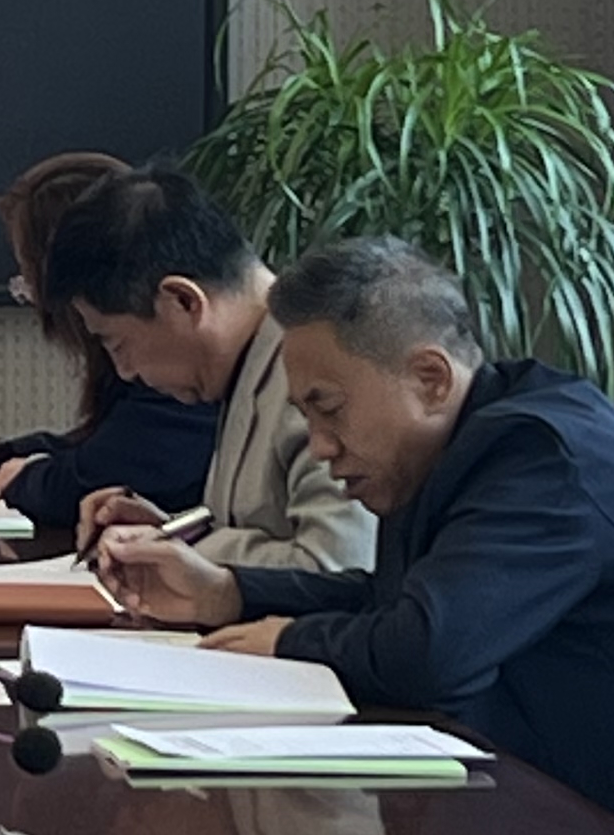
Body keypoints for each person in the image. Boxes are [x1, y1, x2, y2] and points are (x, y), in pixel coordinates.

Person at [94, 239, 614, 825]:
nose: (319, 446)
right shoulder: (461, 447)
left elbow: (430, 652)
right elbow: (398, 605)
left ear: (430, 379)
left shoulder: (542, 460)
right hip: (590, 817)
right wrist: (230, 593)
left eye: (329, 408)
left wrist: (289, 640)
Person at [31, 161, 371, 576]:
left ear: (183, 301)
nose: (125, 371)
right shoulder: (249, 360)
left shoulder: (317, 368)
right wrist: (169, 531)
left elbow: (335, 566)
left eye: (117, 344)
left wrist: (184, 549)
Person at [0, 150, 218, 536]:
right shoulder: (152, 349)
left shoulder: (176, 359)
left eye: (29, 281)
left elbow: (107, 474)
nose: (126, 370)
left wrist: (25, 480)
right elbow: (101, 448)